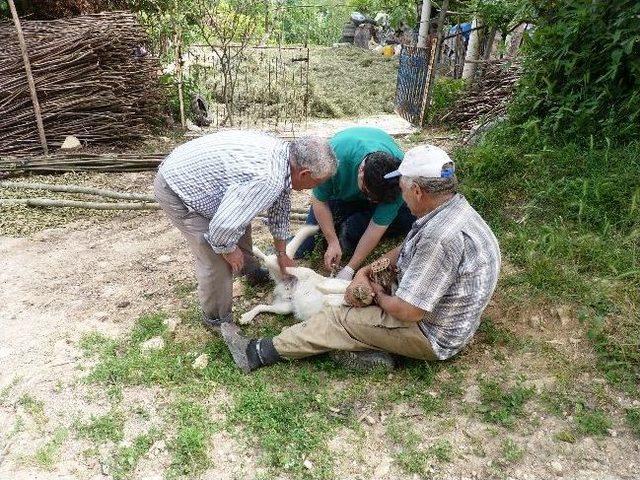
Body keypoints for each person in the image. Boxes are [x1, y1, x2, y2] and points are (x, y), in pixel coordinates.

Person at [221, 144, 501, 372]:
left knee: (337, 317)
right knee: (353, 299)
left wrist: (377, 294)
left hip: (430, 334)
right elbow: (406, 248)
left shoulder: (439, 238)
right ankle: (371, 346)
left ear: (417, 190)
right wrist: (366, 269)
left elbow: (409, 312)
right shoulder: (451, 209)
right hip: (446, 319)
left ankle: (257, 352)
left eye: (403, 190)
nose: (401, 198)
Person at [154, 130, 337, 330]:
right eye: (317, 183)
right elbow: (221, 228)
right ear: (304, 174)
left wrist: (282, 253)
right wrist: (228, 250)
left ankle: (250, 271)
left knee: (240, 222)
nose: (313, 188)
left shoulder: (284, 160)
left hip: (201, 179)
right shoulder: (268, 179)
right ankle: (216, 320)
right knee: (215, 258)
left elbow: (279, 209)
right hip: (181, 189)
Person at [295, 126, 415, 280]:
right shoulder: (332, 160)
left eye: (376, 200)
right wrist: (332, 241)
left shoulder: (398, 179)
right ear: (361, 171)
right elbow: (319, 201)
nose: (371, 200)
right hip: (339, 194)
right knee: (306, 242)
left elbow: (377, 227)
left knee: (408, 218)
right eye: (367, 194)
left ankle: (351, 225)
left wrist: (350, 268)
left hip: (377, 194)